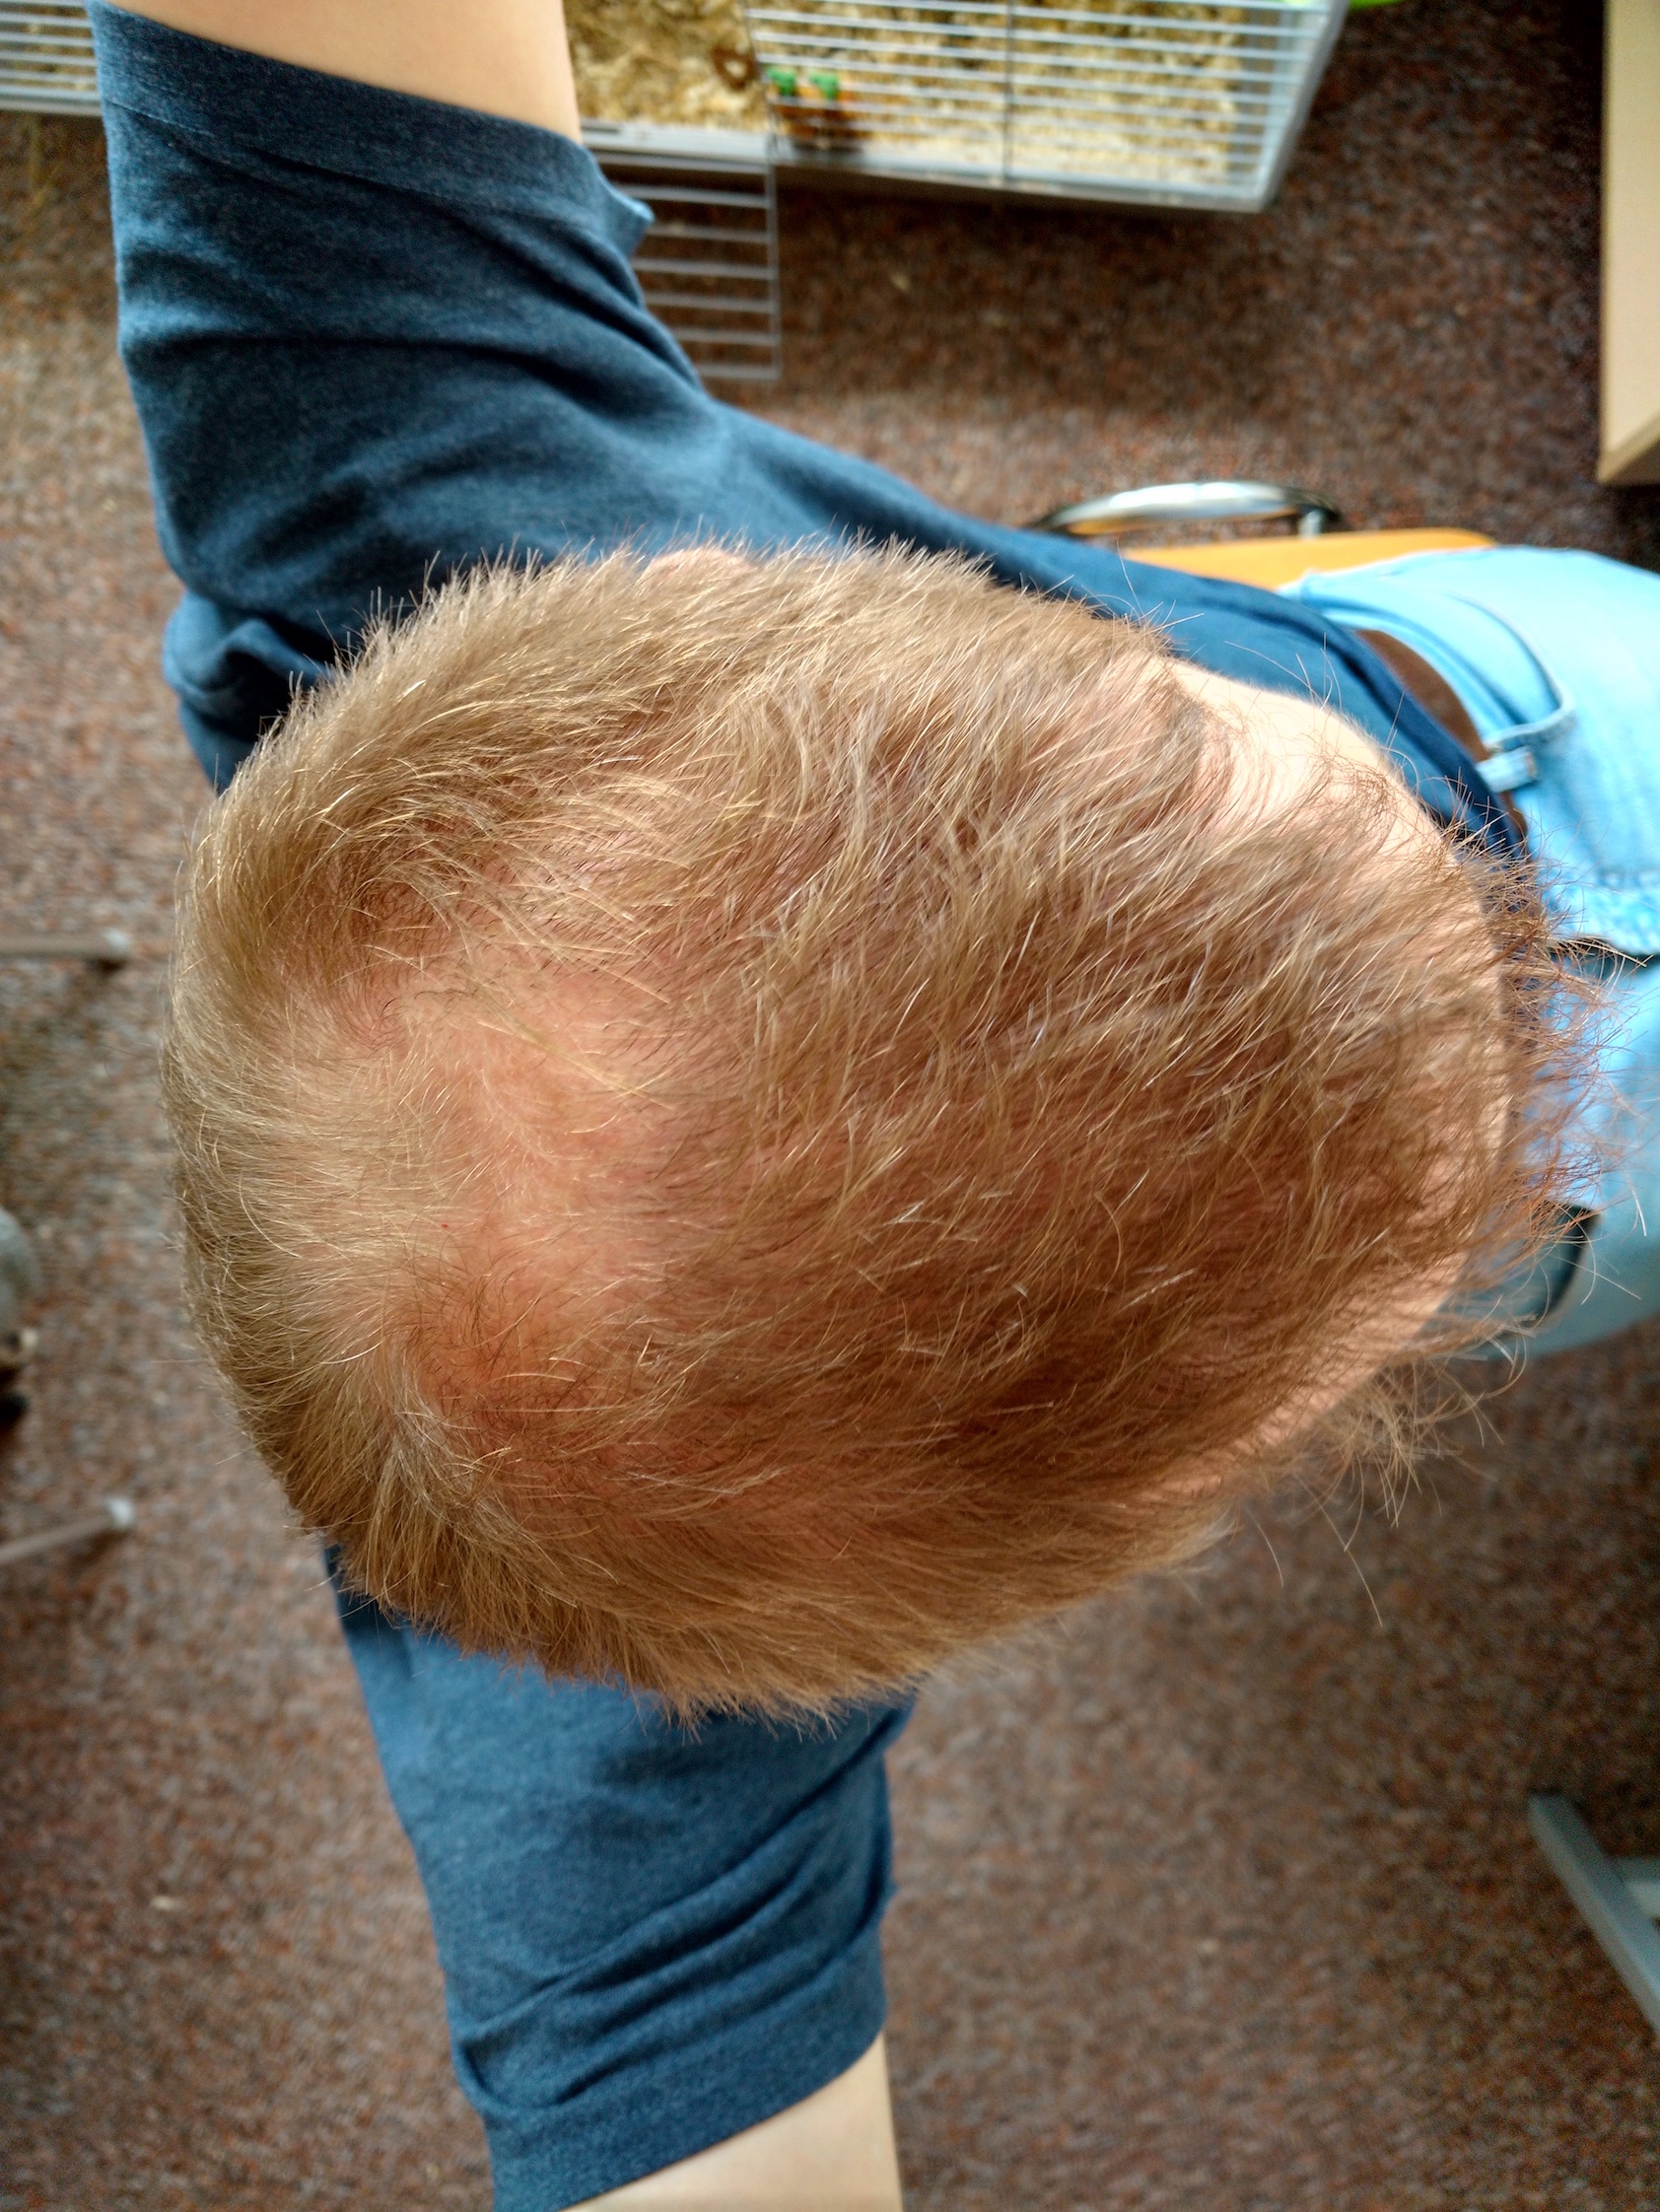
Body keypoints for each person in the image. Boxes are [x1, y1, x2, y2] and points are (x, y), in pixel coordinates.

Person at [87, 0, 1659, 2201]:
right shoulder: (646, 1703)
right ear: (1198, 1476)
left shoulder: (426, 490)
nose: (1524, 952)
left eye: (1179, 754)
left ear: (710, 586)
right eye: (1415, 1200)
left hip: (1500, 662)